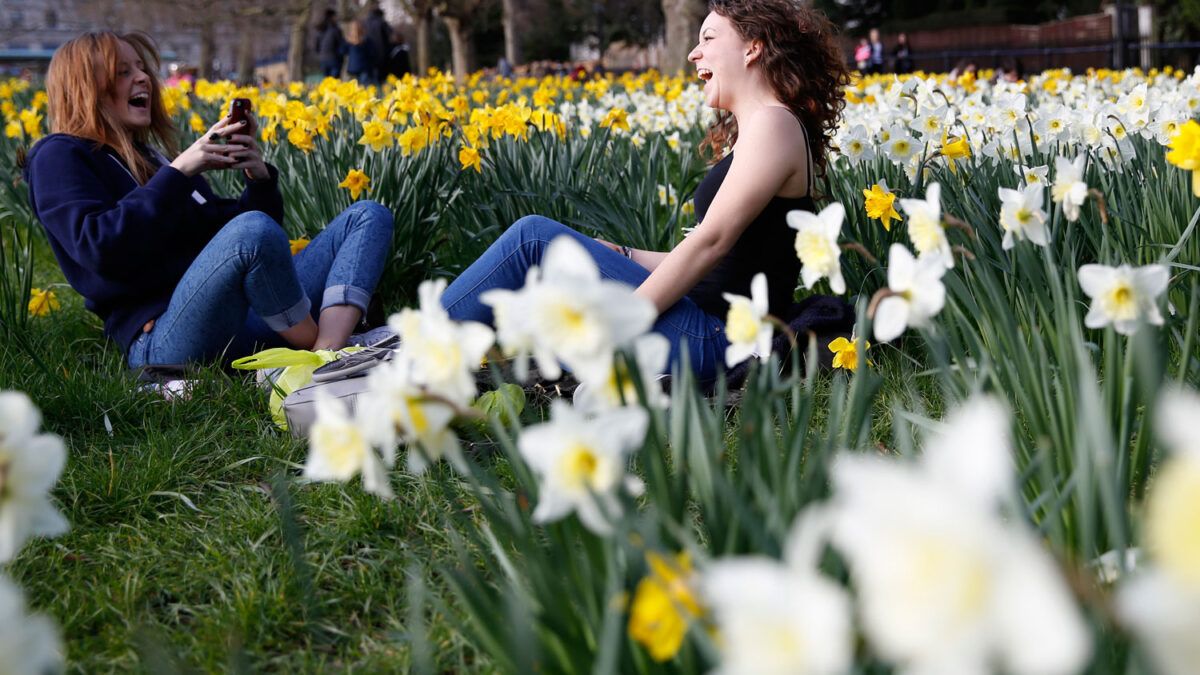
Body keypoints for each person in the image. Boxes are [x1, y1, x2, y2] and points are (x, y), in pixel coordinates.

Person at [439, 0, 849, 385]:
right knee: (553, 278)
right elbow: (729, 264)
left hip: (718, 340)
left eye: (708, 38)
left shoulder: (773, 124)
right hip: (706, 327)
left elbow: (711, 242)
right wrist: (626, 254)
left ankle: (412, 348)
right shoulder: (763, 129)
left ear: (752, 49)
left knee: (532, 239)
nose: (693, 53)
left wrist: (626, 319)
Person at [22, 31, 394, 370]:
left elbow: (244, 241)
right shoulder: (59, 154)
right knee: (252, 231)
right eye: (122, 72)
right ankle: (333, 351)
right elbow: (99, 246)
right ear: (84, 87)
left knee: (367, 216)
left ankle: (326, 356)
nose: (143, 79)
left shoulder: (152, 159)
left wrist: (258, 179)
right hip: (163, 336)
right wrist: (179, 172)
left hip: (237, 317)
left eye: (142, 68)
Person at [314, 10, 345, 78]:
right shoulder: (335, 29)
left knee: (327, 82)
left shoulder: (320, 29)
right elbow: (341, 45)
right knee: (334, 82)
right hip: (334, 59)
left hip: (323, 59)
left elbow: (316, 47)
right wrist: (341, 56)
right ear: (332, 17)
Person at [364, 8, 390, 84]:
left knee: (369, 80)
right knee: (380, 79)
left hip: (367, 55)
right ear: (380, 15)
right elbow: (390, 37)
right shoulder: (382, 22)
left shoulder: (364, 22)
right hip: (381, 54)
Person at [344, 19, 375, 83]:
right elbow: (372, 53)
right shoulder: (367, 40)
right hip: (365, 68)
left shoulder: (348, 41)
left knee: (354, 89)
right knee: (364, 89)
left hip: (352, 68)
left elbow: (342, 52)